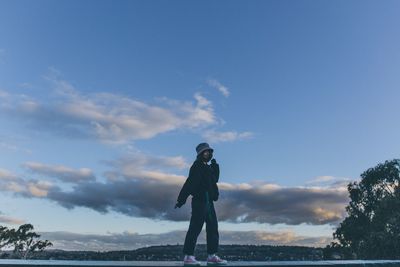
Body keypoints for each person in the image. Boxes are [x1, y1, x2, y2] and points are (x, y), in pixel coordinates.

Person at [175, 143, 228, 266]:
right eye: (205, 152)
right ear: (200, 154)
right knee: (195, 227)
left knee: (213, 228)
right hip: (199, 201)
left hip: (209, 201)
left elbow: (214, 180)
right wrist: (181, 200)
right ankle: (188, 256)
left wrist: (215, 167)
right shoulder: (197, 166)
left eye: (209, 152)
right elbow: (189, 184)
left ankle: (212, 256)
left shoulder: (207, 167)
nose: (208, 154)